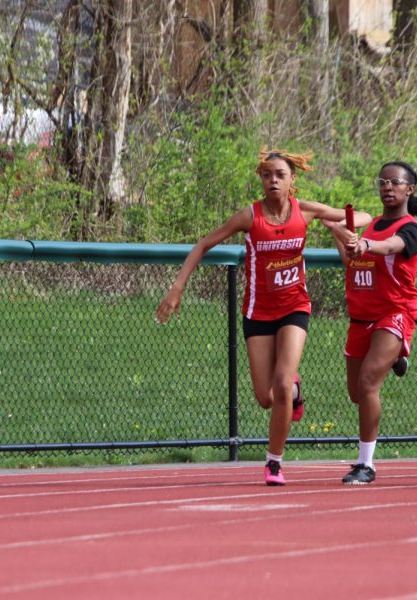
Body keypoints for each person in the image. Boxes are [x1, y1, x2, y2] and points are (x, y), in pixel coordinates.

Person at [156, 147, 370, 486]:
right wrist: (177, 287)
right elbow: (202, 244)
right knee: (265, 396)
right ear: (260, 178)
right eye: (267, 174)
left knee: (281, 383)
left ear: (291, 180)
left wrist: (334, 225)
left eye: (280, 175)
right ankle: (296, 394)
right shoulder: (249, 216)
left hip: (295, 307)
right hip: (258, 312)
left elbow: (364, 218)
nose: (273, 180)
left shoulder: (305, 211)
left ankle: (273, 462)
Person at [325, 161, 417, 485]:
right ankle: (396, 355)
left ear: (408, 189)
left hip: (394, 312)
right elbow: (353, 260)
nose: (387, 187)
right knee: (357, 393)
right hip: (361, 316)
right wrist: (341, 236)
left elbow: (390, 247)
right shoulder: (370, 226)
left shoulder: (409, 229)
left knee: (369, 382)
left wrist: (367, 244)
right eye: (382, 181)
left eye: (394, 182)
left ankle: (365, 464)